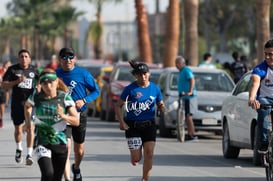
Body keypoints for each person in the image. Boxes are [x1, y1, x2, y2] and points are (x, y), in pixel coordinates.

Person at [24, 68, 79, 181]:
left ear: (57, 81)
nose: (48, 86)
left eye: (51, 82)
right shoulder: (36, 97)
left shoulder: (64, 97)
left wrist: (63, 116)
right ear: (41, 84)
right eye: (44, 83)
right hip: (42, 140)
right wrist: (28, 122)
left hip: (60, 141)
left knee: (56, 177)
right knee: (48, 173)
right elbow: (27, 106)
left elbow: (76, 121)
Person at [115, 60, 165, 181]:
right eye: (140, 74)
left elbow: (160, 103)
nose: (143, 76)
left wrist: (162, 107)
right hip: (132, 126)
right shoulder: (130, 89)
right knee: (137, 158)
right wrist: (122, 122)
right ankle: (135, 157)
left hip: (149, 125)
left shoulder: (155, 88)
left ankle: (144, 179)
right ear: (135, 75)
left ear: (149, 73)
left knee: (149, 154)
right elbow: (118, 105)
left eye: (145, 73)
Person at [56, 47, 100, 181]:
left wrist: (84, 100)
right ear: (60, 60)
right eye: (64, 57)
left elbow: (96, 91)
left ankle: (76, 167)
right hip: (63, 115)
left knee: (79, 150)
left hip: (80, 114)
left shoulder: (83, 74)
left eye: (70, 57)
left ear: (74, 59)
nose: (68, 60)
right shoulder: (55, 74)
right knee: (66, 148)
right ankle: (68, 178)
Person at [1, 49, 39, 165]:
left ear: (29, 59)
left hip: (30, 104)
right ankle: (19, 148)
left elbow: (40, 83)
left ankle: (29, 154)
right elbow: (3, 85)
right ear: (18, 58)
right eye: (21, 56)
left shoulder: (34, 70)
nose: (24, 58)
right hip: (17, 103)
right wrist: (16, 81)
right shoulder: (12, 69)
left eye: (26, 56)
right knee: (18, 130)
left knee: (31, 128)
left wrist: (39, 88)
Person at [248, 39, 273, 153]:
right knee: (263, 112)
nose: (267, 57)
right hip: (265, 99)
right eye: (266, 54)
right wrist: (252, 98)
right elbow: (255, 83)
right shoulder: (260, 68)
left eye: (271, 55)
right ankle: (263, 142)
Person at [175, 56, 198, 141]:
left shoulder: (186, 70)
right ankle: (188, 133)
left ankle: (192, 135)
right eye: (175, 63)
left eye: (178, 63)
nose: (176, 65)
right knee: (185, 116)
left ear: (182, 63)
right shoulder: (181, 72)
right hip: (184, 97)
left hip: (190, 97)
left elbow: (192, 79)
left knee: (189, 116)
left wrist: (190, 90)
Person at [0, 60, 11, 127]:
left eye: (9, 64)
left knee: (1, 105)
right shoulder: (1, 69)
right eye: (7, 64)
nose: (8, 65)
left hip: (3, 89)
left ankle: (1, 118)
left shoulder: (10, 71)